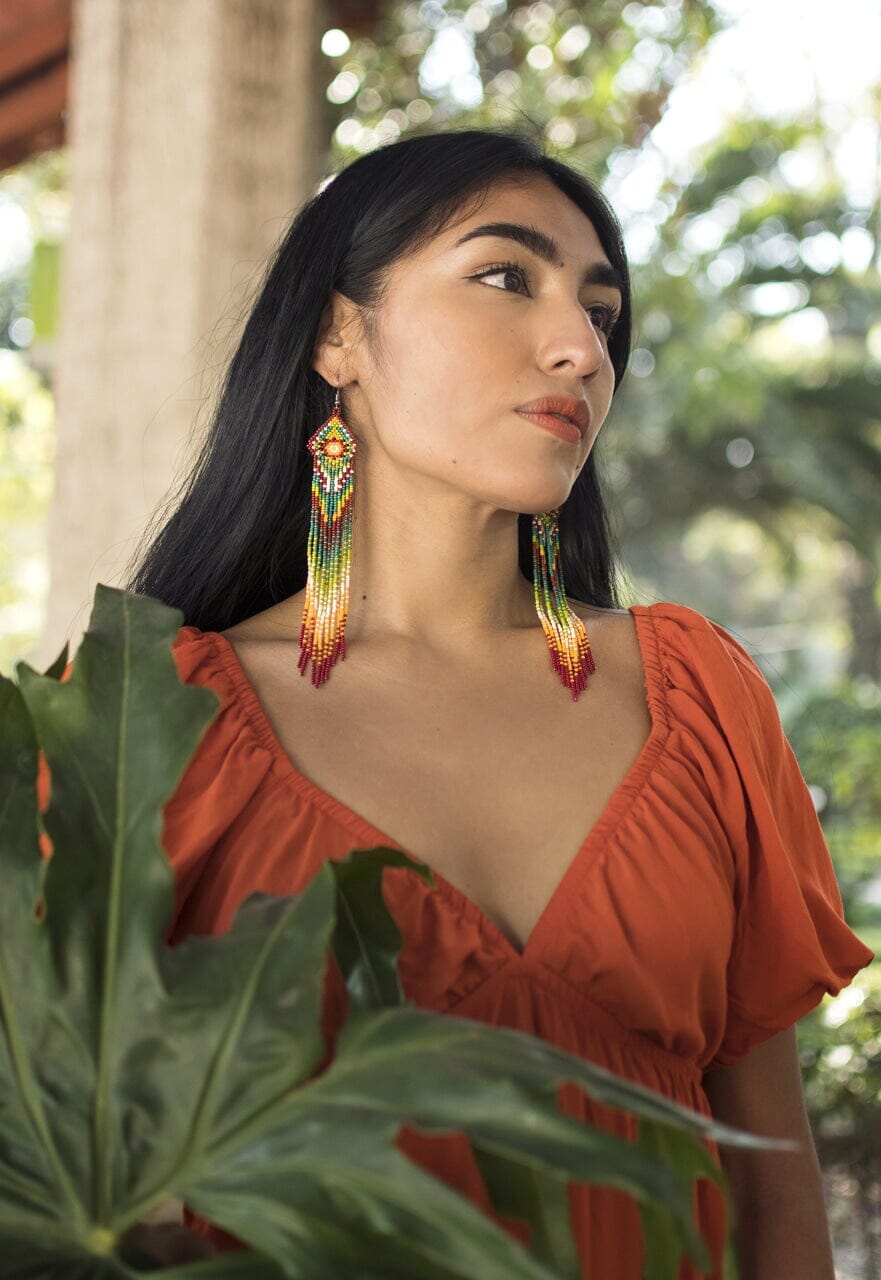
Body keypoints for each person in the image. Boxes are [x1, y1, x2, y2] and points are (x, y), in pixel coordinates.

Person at [116, 126, 873, 1277]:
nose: (577, 346)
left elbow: (774, 1191)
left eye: (602, 313)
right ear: (337, 333)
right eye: (503, 276)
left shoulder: (699, 699)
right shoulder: (146, 728)